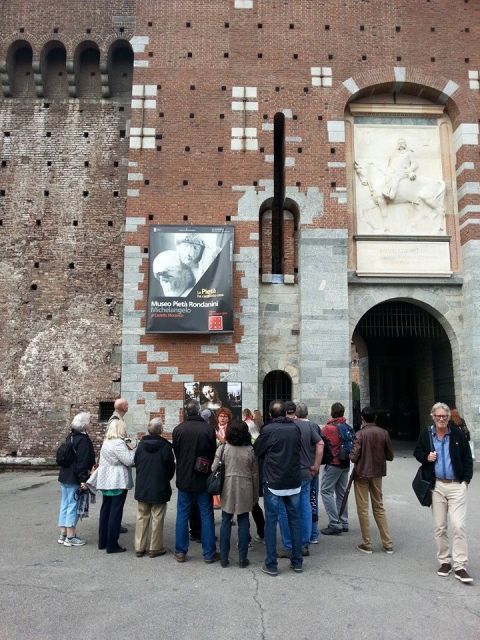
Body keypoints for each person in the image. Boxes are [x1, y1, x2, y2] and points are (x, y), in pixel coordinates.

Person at [414, 402, 473, 583]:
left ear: (448, 418)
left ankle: (460, 565)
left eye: (444, 416)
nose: (441, 419)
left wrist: (466, 481)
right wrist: (426, 457)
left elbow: (466, 457)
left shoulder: (457, 434)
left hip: (456, 485)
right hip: (437, 486)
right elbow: (417, 452)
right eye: (438, 416)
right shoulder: (426, 434)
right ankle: (445, 561)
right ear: (433, 416)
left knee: (458, 525)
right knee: (439, 527)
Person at [254, 400, 303, 576]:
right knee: (294, 520)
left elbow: (257, 450)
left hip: (274, 480)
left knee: (271, 522)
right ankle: (297, 561)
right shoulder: (295, 428)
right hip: (293, 479)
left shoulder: (268, 430)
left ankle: (271, 563)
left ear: (270, 414)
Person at [172, 399, 218, 563]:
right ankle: (209, 552)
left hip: (184, 476)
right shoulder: (208, 429)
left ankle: (180, 551)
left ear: (186, 411)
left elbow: (177, 453)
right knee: (206, 513)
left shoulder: (178, 430)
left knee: (182, 513)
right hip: (202, 476)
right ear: (198, 411)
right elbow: (212, 452)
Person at [278, 401, 323, 557]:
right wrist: (316, 465)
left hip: (289, 472)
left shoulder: (285, 426)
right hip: (305, 472)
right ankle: (304, 542)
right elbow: (320, 443)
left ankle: (289, 545)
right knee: (305, 505)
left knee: (284, 508)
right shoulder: (307, 426)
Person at [212, 420, 259, 568]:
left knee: (226, 520)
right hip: (245, 487)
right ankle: (242, 558)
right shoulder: (250, 450)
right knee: (244, 521)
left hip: (227, 486)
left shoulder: (224, 448)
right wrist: (255, 495)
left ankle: (224, 558)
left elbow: (214, 467)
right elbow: (255, 475)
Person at [350, 406, 394, 554]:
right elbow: (390, 456)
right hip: (377, 473)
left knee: (363, 509)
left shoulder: (360, 434)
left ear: (362, 418)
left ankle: (367, 543)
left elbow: (354, 456)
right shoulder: (384, 433)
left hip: (362, 473)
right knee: (379, 506)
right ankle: (387, 542)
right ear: (375, 418)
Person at [134, 418, 175, 558]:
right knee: (157, 516)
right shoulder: (165, 447)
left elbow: (137, 463)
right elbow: (171, 468)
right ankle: (155, 547)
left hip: (143, 485)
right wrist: (165, 478)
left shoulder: (140, 445)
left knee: (141, 515)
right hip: (159, 485)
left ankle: (139, 546)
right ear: (161, 431)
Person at [96, 417, 136, 554]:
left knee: (105, 510)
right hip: (117, 479)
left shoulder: (106, 442)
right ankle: (112, 544)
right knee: (115, 512)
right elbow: (129, 461)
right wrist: (133, 449)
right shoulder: (118, 443)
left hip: (105, 479)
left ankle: (102, 541)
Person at [57, 412, 95, 547]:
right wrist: (83, 480)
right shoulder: (83, 440)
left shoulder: (70, 436)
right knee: (73, 505)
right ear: (84, 425)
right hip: (75, 477)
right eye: (89, 422)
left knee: (65, 504)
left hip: (64, 476)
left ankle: (63, 534)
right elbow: (83, 462)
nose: (90, 424)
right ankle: (71, 537)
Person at [320, 402, 354, 535]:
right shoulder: (347, 426)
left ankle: (334, 523)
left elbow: (320, 441)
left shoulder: (328, 428)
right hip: (345, 462)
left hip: (334, 462)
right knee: (341, 492)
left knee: (326, 491)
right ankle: (344, 521)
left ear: (332, 412)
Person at [107, 398, 130, 534]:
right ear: (122, 407)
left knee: (112, 502)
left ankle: (114, 524)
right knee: (115, 502)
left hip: (114, 466)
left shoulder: (116, 419)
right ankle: (113, 526)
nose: (128, 406)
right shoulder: (115, 421)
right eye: (126, 404)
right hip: (116, 468)